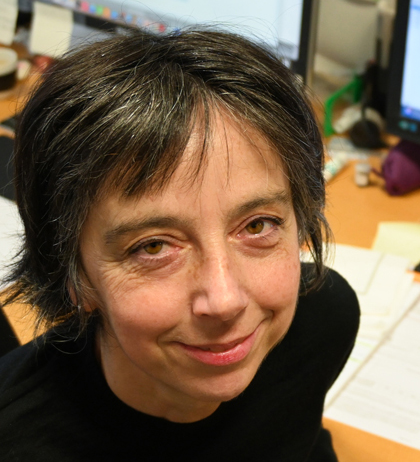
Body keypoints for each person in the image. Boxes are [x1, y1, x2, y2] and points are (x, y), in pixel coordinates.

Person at [0, 28, 359, 461]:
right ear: (72, 275)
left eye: (257, 225)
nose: (224, 301)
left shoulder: (321, 325)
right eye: (153, 247)